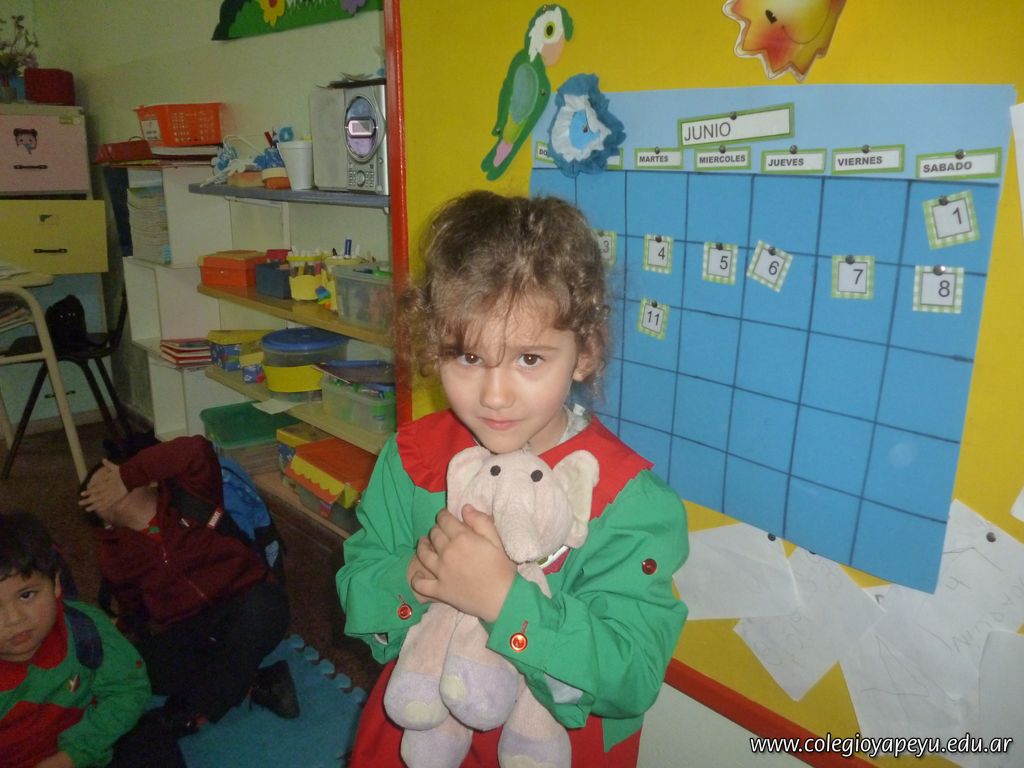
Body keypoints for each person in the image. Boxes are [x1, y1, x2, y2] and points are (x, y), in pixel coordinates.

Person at [336, 191, 689, 767]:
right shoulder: (412, 456)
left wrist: (505, 601)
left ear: (585, 353)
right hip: (419, 728)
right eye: (469, 358)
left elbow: (632, 677)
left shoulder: (631, 502)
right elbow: (358, 587)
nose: (495, 396)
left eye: (529, 359)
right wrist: (423, 577)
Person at [78, 435, 297, 736]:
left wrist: (127, 475)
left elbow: (196, 450)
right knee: (131, 666)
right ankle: (254, 681)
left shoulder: (191, 496)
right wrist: (125, 628)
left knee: (261, 609)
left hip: (248, 603)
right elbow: (133, 605)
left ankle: (189, 711)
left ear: (148, 480)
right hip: (198, 631)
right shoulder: (114, 555)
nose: (108, 490)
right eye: (97, 494)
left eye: (111, 480)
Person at [0, 511, 184, 768]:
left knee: (150, 738)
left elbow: (128, 689)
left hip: (89, 746)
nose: (14, 619)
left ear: (56, 583)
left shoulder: (84, 628)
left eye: (27, 595)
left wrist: (72, 756)